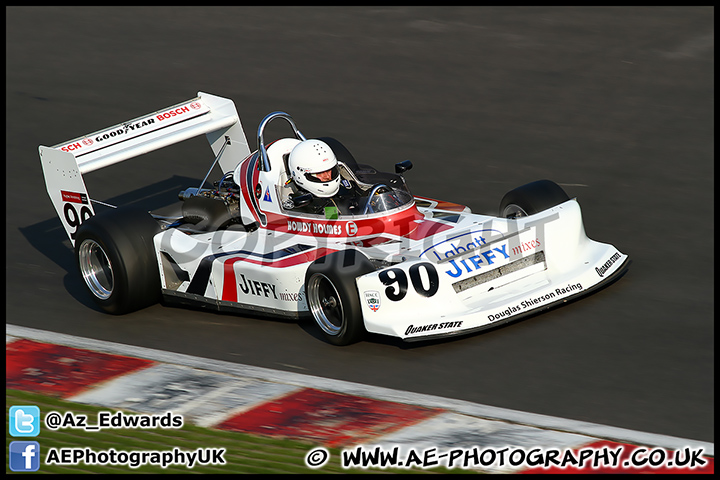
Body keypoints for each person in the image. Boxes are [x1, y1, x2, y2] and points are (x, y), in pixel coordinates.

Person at [285, 139, 362, 215]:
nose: (328, 176)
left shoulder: (347, 188)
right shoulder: (294, 207)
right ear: (301, 175)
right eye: (320, 173)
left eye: (330, 170)